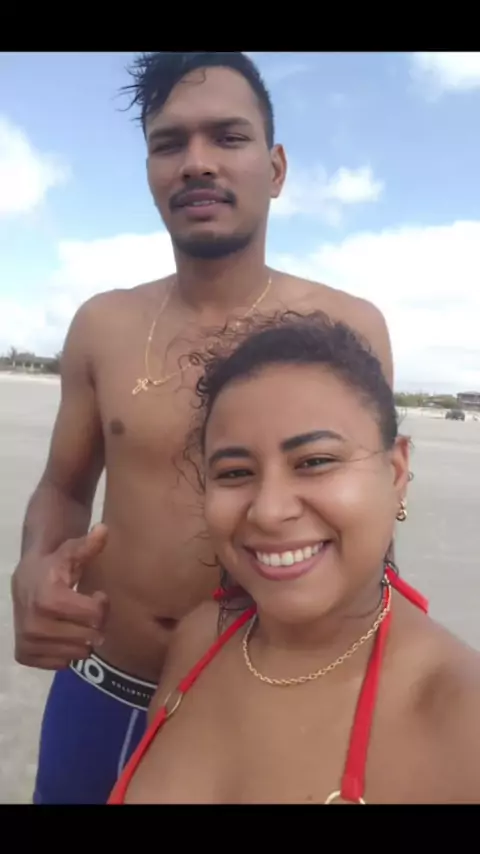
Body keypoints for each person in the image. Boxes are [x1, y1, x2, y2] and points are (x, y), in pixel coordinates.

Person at [11, 52, 393, 805]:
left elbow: (370, 530)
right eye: (169, 143)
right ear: (151, 173)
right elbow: (63, 486)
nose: (196, 162)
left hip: (262, 699)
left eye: (228, 136)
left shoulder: (347, 329)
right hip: (101, 687)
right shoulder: (103, 325)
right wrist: (34, 567)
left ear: (275, 169)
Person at [108, 312, 480, 805]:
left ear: (395, 473)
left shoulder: (460, 715)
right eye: (235, 472)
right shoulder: (198, 640)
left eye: (315, 462)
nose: (268, 510)